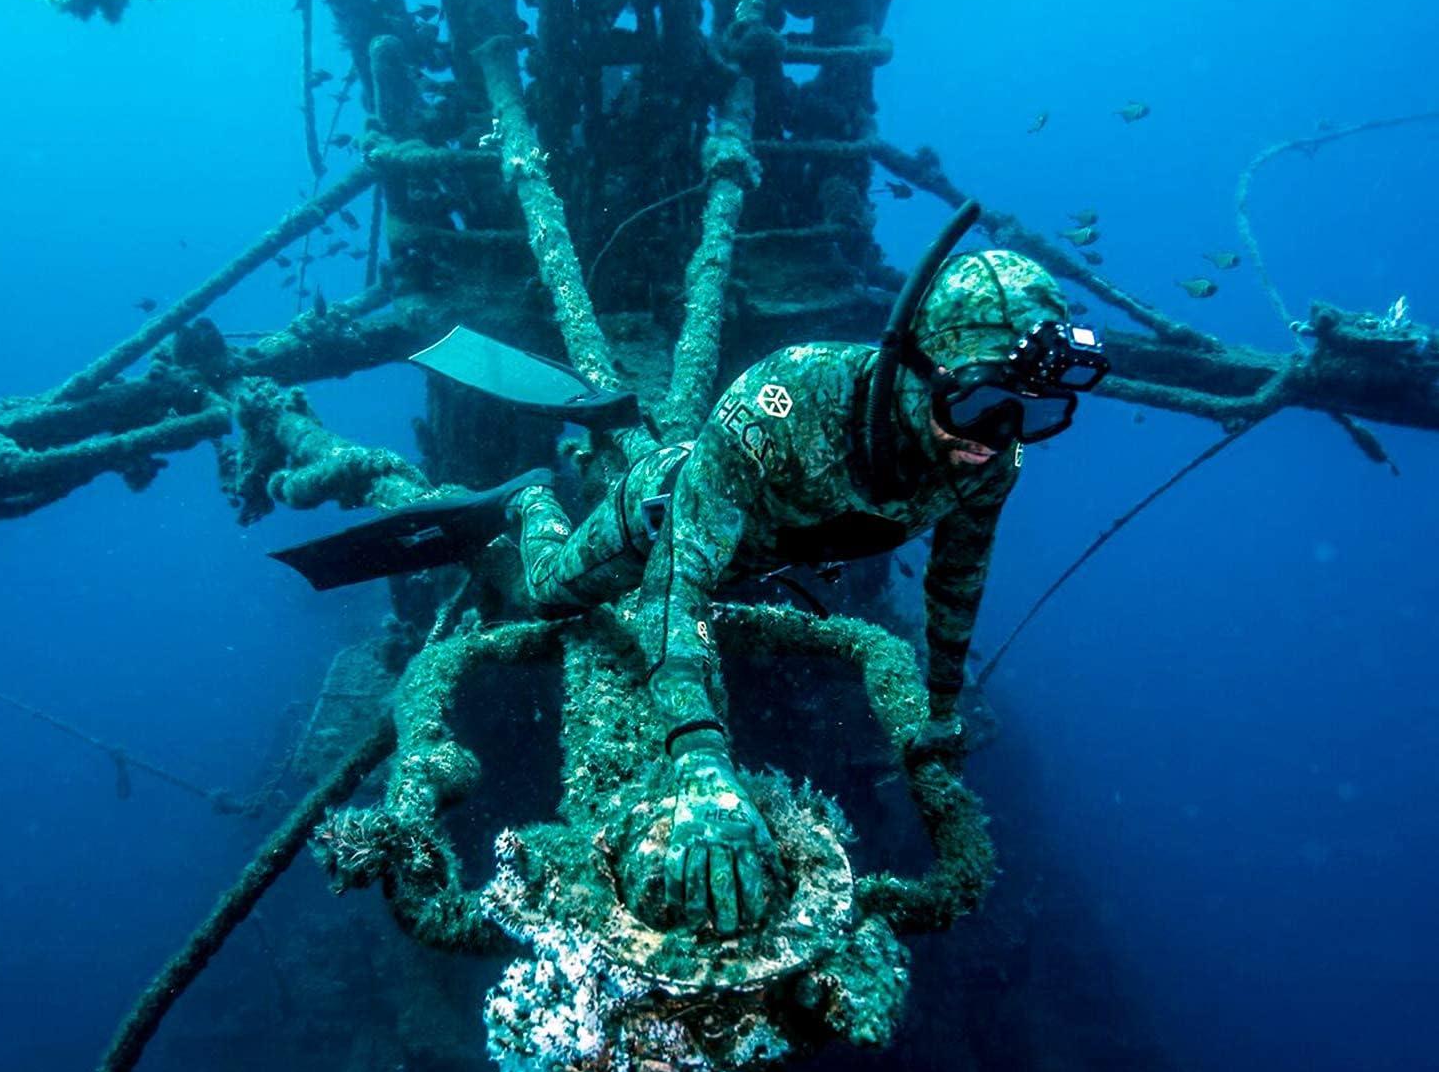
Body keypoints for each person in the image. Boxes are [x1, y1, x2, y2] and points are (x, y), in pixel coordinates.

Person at [275, 205, 1107, 939]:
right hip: (666, 519)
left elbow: (956, 581)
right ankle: (529, 504)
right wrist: (700, 757)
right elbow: (677, 586)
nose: (995, 438)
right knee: (546, 594)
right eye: (978, 405)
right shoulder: (784, 402)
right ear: (917, 366)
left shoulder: (992, 458)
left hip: (777, 548)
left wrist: (943, 707)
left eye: (1035, 416)